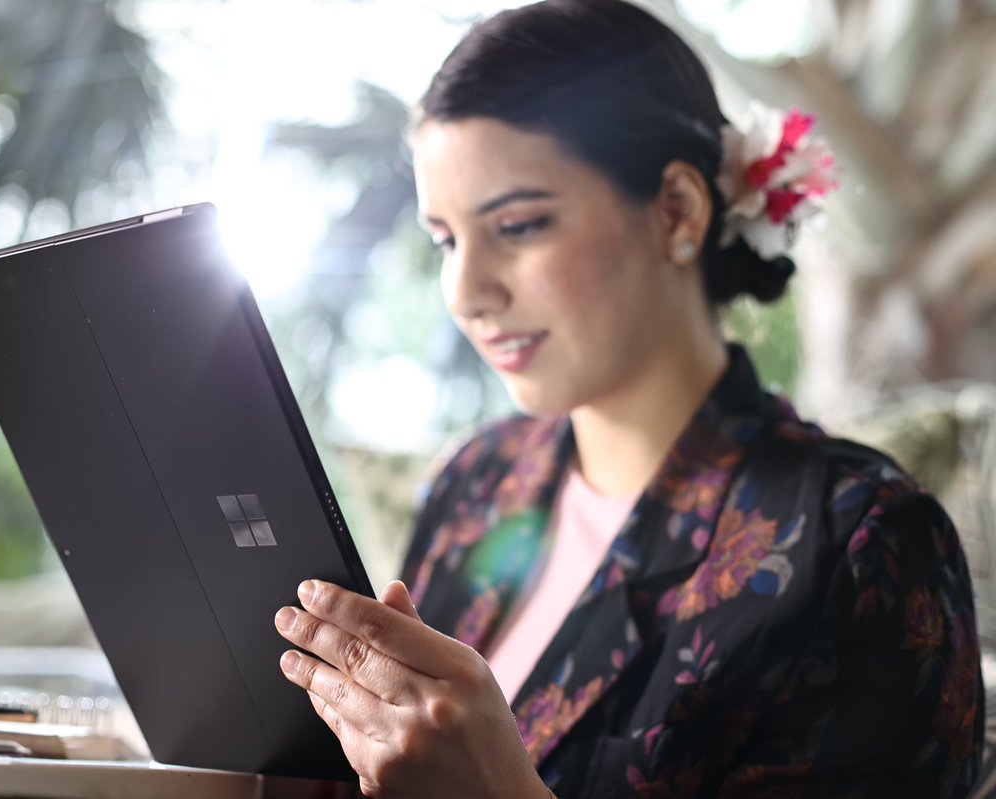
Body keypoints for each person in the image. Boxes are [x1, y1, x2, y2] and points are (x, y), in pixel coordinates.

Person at [272, 1, 984, 796]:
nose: (466, 292)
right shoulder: (475, 483)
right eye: (445, 239)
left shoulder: (861, 541)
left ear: (677, 210)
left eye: (519, 225)